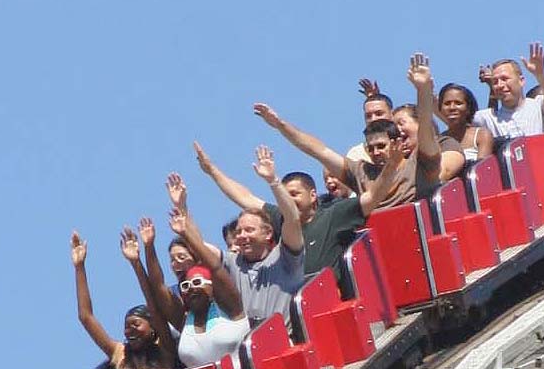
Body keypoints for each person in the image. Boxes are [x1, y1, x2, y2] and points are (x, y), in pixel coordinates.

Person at [254, 53, 463, 212]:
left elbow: (425, 125)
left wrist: (423, 90)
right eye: (371, 148)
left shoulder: (421, 163)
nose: (375, 152)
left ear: (396, 143)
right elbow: (317, 150)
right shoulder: (362, 172)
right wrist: (281, 125)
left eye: (381, 146)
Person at [193, 140, 401, 280]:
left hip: (330, 297)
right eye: (285, 195)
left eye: (294, 194)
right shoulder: (281, 219)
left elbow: (373, 197)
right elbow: (245, 198)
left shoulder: (335, 214)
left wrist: (391, 166)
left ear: (312, 195)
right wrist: (212, 171)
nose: (289, 200)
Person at [167, 146, 305, 326]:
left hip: (285, 341)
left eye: (249, 230)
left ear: (268, 233)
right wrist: (182, 207)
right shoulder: (234, 262)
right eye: (239, 231)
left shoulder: (286, 258)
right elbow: (199, 247)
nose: (242, 236)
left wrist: (273, 181)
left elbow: (292, 218)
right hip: (248, 348)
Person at [135, 214, 250, 369]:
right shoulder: (184, 321)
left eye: (197, 282)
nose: (191, 288)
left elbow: (215, 267)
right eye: (186, 286)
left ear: (212, 287)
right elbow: (158, 286)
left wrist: (186, 234)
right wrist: (149, 247)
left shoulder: (231, 308)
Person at [69, 230, 176, 369]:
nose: (130, 331)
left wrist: (136, 263)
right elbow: (86, 317)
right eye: (127, 327)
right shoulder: (120, 354)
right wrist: (79, 267)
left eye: (136, 324)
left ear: (152, 328)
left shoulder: (165, 346)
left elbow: (153, 306)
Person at [474, 43, 544, 139]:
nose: (500, 85)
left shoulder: (539, 106)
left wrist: (540, 75)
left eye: (505, 79)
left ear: (521, 81)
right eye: (495, 82)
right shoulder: (485, 118)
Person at [437, 83, 494, 162]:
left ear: (468, 108)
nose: (452, 107)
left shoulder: (481, 135)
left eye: (458, 103)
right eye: (447, 104)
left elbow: (482, 169)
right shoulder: (439, 141)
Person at [346, 80, 394, 163]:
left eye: (379, 113)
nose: (373, 119)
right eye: (368, 116)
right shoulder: (356, 154)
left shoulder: (408, 144)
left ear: (392, 114)